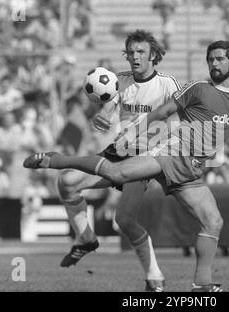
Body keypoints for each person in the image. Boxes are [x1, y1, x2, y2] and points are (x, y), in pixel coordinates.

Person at [24, 40, 229, 292]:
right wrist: (136, 130)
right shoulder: (198, 89)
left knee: (214, 221)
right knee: (116, 172)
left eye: (220, 59)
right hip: (170, 153)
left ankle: (203, 283)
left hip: (190, 170)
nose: (214, 63)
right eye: (211, 59)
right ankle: (55, 159)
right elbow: (164, 110)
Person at [52, 30, 181, 292]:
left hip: (145, 157)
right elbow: (109, 105)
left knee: (124, 219)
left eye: (141, 52)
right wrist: (103, 115)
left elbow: (179, 122)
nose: (135, 57)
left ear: (154, 55)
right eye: (131, 52)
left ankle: (154, 277)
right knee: (66, 182)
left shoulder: (168, 85)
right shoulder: (119, 81)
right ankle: (86, 238)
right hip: (118, 151)